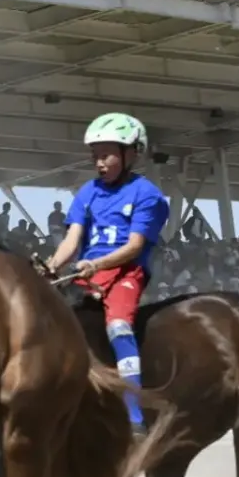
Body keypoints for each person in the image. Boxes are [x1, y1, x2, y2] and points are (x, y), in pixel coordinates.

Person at [44, 112, 169, 427]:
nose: (99, 163)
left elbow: (135, 246)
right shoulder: (87, 192)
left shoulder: (148, 195)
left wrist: (96, 264)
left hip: (126, 273)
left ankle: (134, 414)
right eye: (95, 157)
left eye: (106, 156)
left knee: (117, 327)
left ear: (131, 154)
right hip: (86, 272)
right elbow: (72, 240)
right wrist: (51, 266)